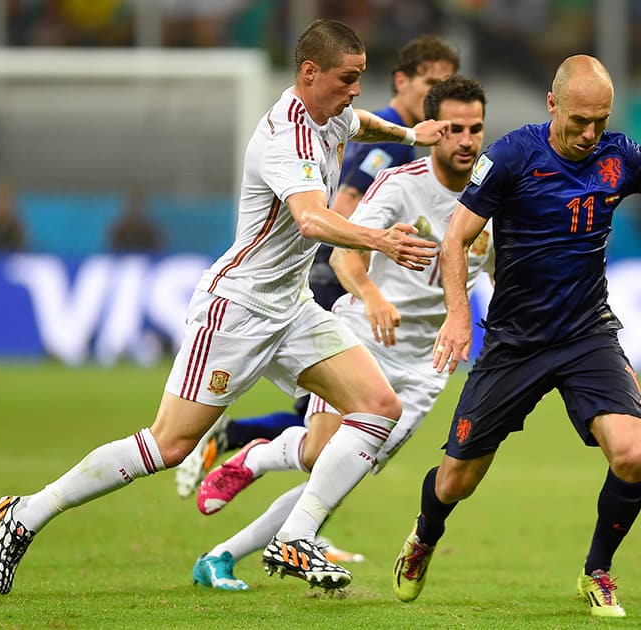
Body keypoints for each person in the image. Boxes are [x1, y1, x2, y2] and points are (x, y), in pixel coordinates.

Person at [0, 18, 448, 596]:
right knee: (168, 444)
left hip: (292, 308)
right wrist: (381, 240)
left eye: (360, 78)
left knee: (378, 406)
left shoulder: (329, 116)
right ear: (309, 73)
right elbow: (309, 217)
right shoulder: (288, 137)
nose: (356, 89)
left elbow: (362, 123)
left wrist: (409, 137)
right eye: (346, 78)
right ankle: (28, 511)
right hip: (238, 311)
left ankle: (296, 535)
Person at [390, 55, 641, 617]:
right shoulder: (510, 157)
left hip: (586, 335)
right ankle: (425, 535)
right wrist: (459, 313)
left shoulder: (622, 156)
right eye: (579, 120)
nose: (589, 133)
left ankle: (597, 570)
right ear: (552, 105)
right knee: (456, 480)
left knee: (633, 452)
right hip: (514, 341)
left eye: (600, 120)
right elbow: (456, 238)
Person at [189, 76, 491, 591]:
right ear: (433, 130)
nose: (465, 140)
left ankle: (221, 556)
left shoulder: (495, 195)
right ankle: (259, 455)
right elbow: (344, 255)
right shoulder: (401, 185)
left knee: (332, 482)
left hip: (425, 366)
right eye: (454, 129)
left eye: (476, 129)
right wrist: (373, 297)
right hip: (365, 339)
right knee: (318, 453)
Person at [173, 34, 460, 501]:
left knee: (335, 416)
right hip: (331, 269)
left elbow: (358, 126)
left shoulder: (374, 126)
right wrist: (369, 271)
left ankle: (239, 447)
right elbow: (344, 205)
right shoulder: (377, 144)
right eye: (432, 82)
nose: (440, 96)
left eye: (448, 83)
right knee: (336, 417)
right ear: (402, 81)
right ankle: (243, 455)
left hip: (330, 263)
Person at [108, 187, 162, 253]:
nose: (135, 208)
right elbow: (112, 251)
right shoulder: (119, 229)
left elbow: (158, 251)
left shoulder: (151, 229)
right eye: (132, 204)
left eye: (138, 204)